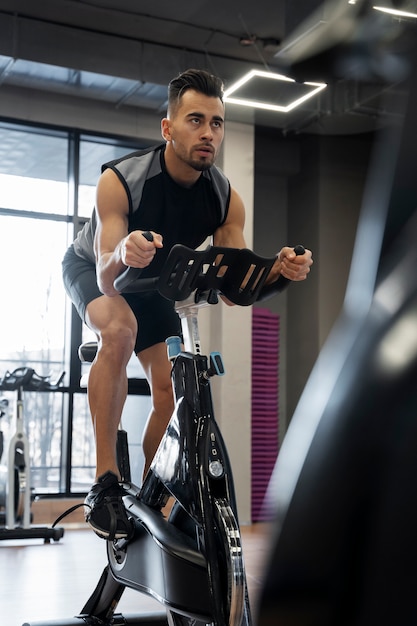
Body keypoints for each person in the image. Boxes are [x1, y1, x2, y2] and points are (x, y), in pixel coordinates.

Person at [62, 68, 313, 541]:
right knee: (118, 330)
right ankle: (106, 483)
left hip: (156, 281)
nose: (208, 133)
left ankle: (156, 497)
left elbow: (235, 288)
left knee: (172, 389)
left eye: (217, 123)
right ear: (168, 128)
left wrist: (278, 273)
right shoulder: (121, 180)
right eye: (195, 120)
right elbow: (104, 275)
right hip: (100, 271)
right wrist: (123, 251)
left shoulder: (223, 198)